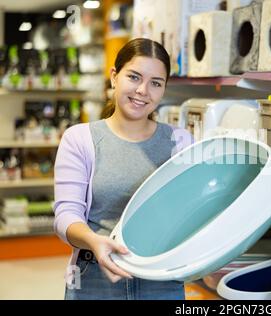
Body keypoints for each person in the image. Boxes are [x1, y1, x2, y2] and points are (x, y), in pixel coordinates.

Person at [53, 38, 193, 300]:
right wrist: (94, 241)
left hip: (161, 275)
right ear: (114, 77)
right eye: (134, 77)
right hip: (95, 273)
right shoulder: (80, 139)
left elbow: (189, 212)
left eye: (155, 83)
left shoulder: (180, 141)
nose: (143, 90)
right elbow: (65, 216)